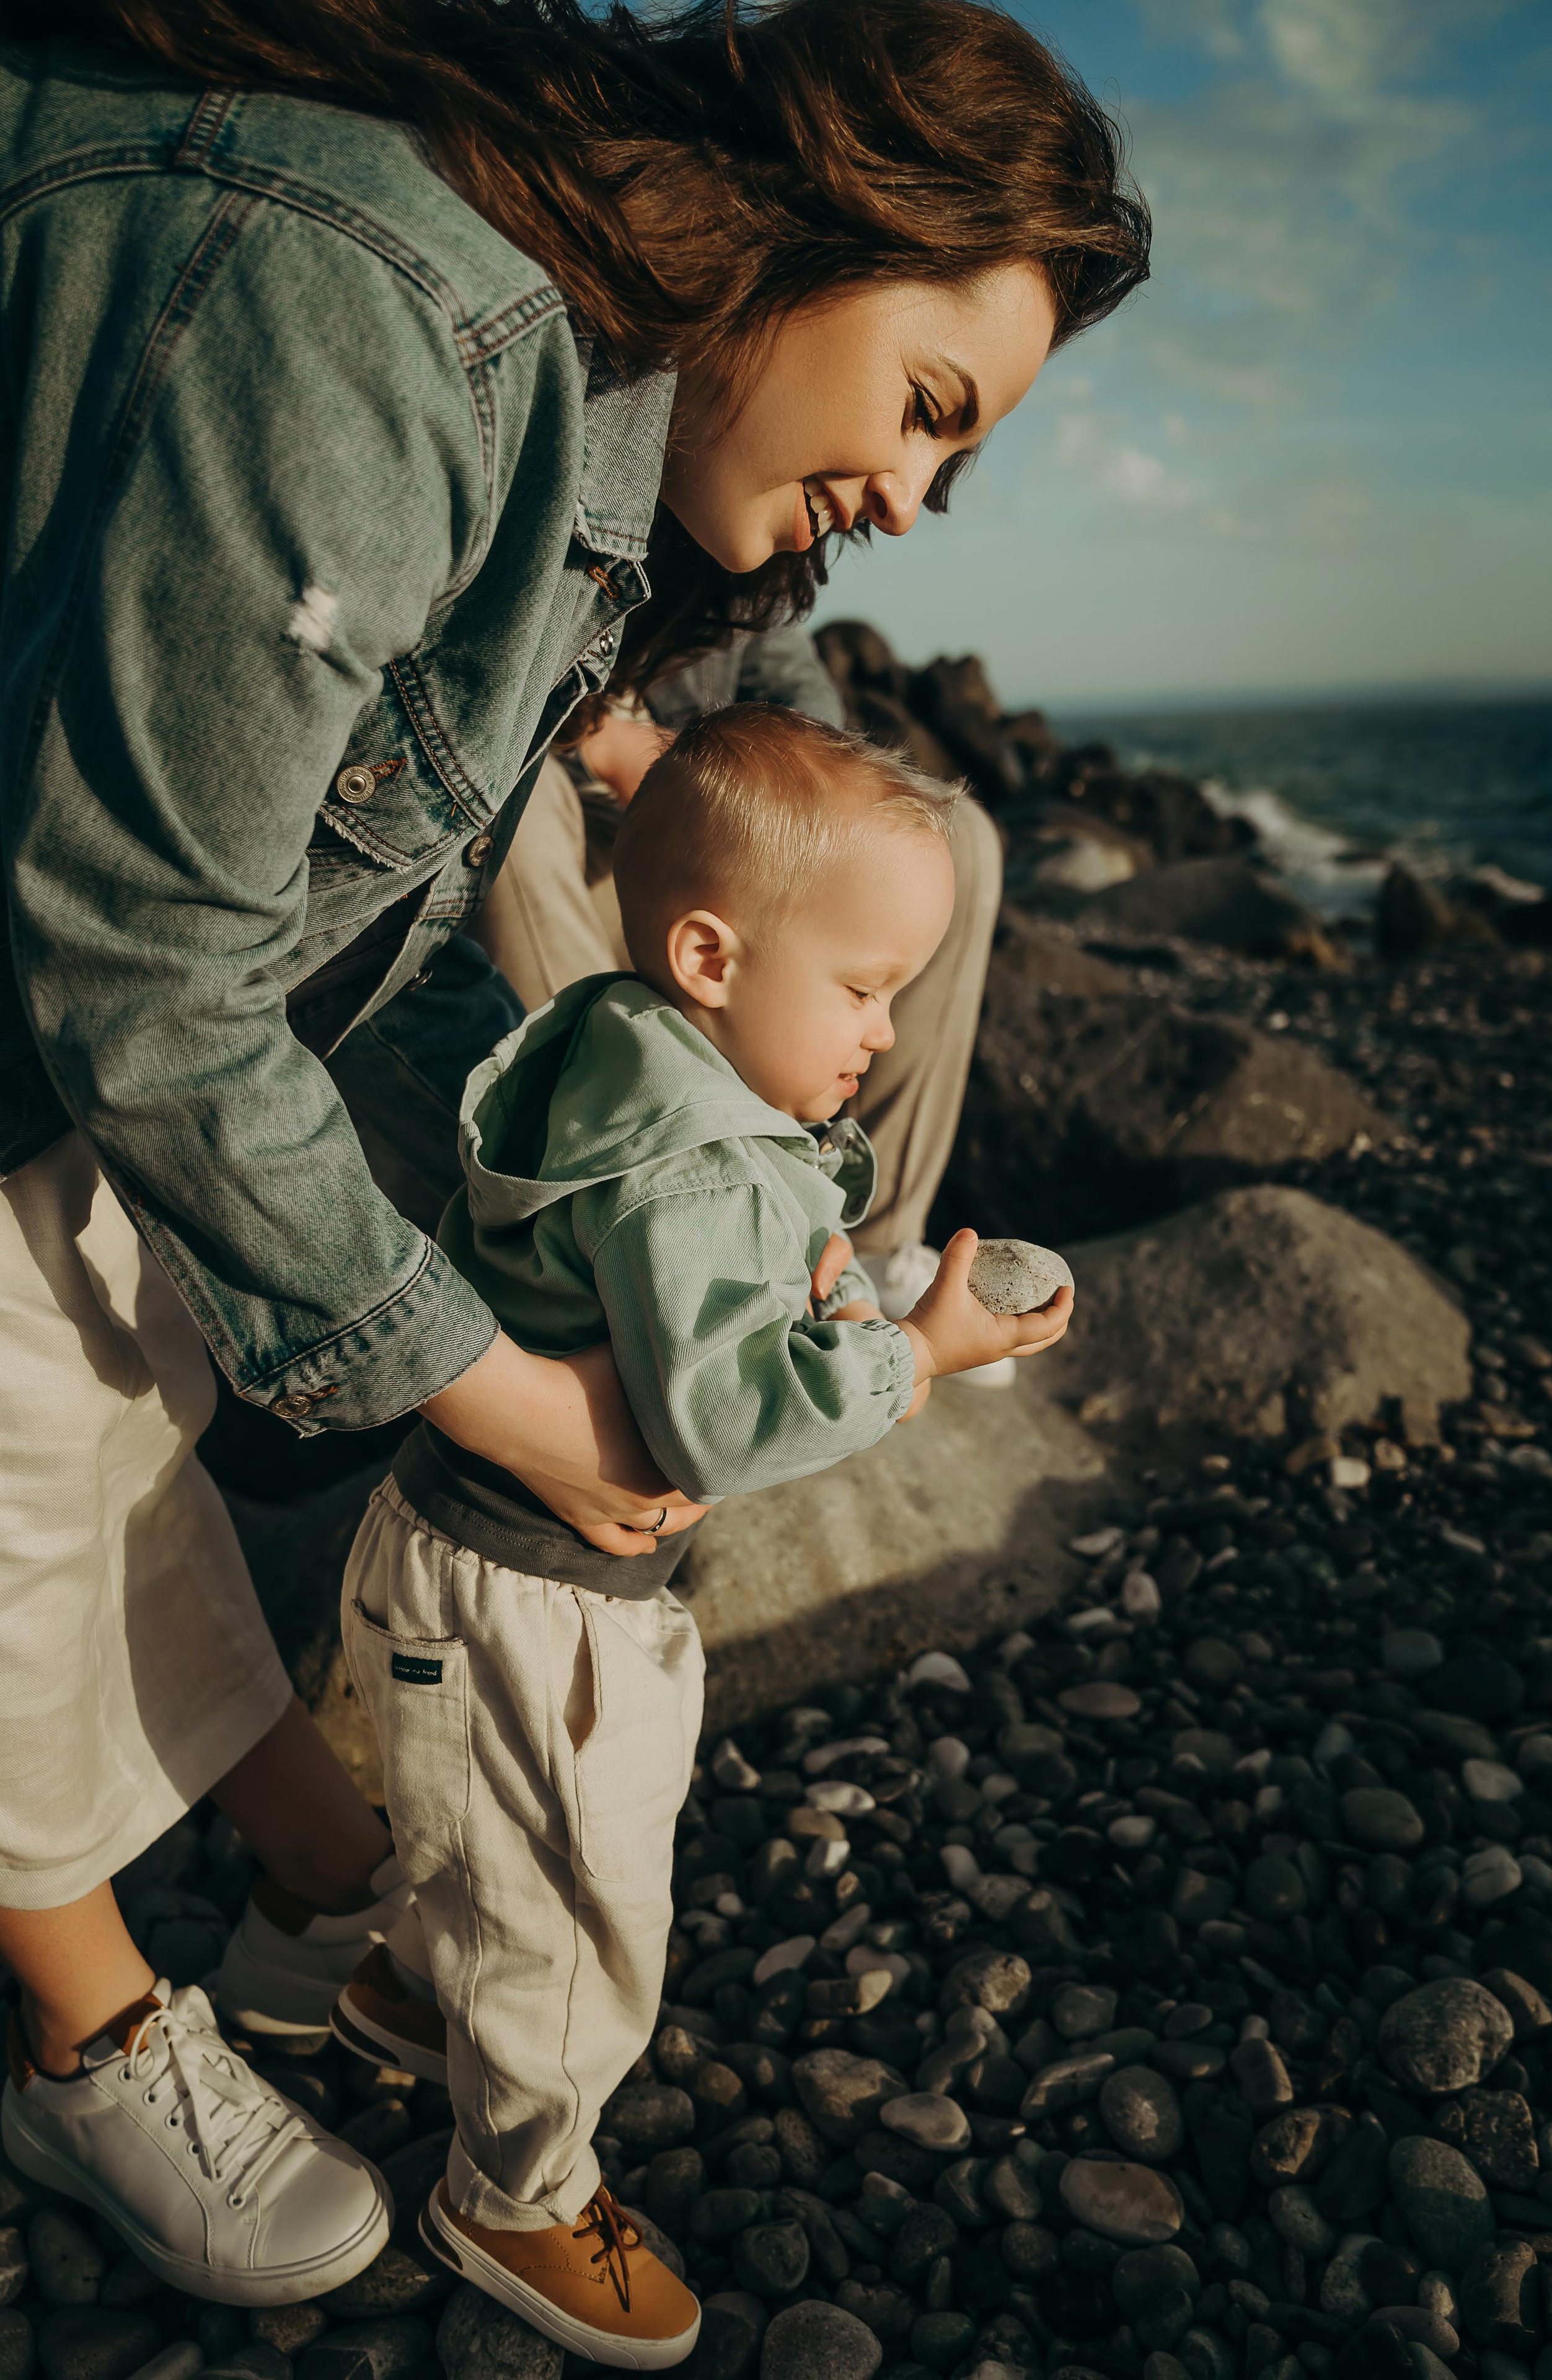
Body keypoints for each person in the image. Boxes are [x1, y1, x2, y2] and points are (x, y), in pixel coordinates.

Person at [0, 0, 1148, 2309]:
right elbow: (142, 954)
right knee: (28, 1398)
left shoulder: (599, 453)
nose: (918, 499)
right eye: (930, 407)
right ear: (819, 229)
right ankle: (84, 2036)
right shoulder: (386, 319)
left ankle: (314, 1862)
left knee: (121, 1371)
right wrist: (490, 1385)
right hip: (70, 962)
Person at [331, 707, 1074, 2365]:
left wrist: (813, 1273)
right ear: (712, 953)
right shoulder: (705, 1171)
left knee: (500, 1839)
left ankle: (399, 1992)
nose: (886, 1031)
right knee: (584, 1922)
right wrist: (922, 1351)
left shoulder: (618, 1038)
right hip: (544, 1603)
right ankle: (515, 2193)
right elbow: (728, 1421)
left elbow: (679, 1286)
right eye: (867, 986)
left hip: (468, 1558)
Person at [474, 621, 1012, 1349]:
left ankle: (861, 1242)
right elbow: (744, 1418)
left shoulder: (756, 579)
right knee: (521, 808)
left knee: (955, 839)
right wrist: (911, 1361)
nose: (886, 1032)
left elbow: (810, 713)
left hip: (732, 844)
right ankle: (611, 1159)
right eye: (864, 995)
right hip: (580, 813)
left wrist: (753, 793)